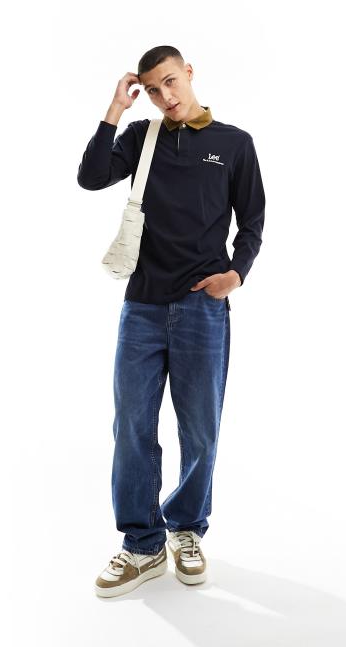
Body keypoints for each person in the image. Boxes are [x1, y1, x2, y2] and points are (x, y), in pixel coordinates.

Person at [77, 45, 266, 598]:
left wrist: (237, 273)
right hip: (141, 306)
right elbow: (91, 177)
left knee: (200, 429)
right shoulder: (142, 137)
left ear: (189, 72)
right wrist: (116, 109)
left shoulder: (234, 143)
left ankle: (186, 528)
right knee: (132, 427)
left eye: (170, 82)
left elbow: (253, 221)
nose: (165, 96)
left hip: (203, 308)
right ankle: (142, 544)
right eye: (153, 90)